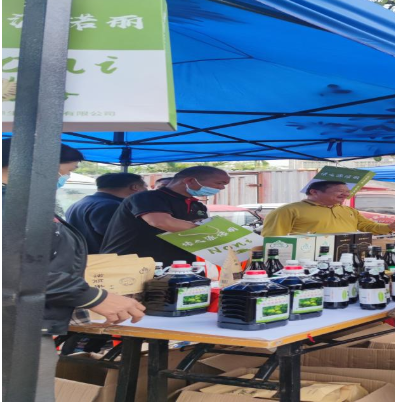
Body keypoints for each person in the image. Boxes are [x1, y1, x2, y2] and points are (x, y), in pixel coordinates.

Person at [2, 139, 145, 401]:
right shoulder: (9, 205)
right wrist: (93, 297)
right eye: (65, 171)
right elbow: (12, 268)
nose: (65, 178)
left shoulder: (19, 202)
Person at [100, 166, 230, 266]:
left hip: (178, 267)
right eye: (219, 183)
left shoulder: (197, 205)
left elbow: (197, 230)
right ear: (190, 180)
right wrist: (215, 233)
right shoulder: (147, 197)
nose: (222, 188)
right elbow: (161, 222)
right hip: (132, 266)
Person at [261, 181, 395, 237]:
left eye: (347, 191)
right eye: (340, 191)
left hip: (346, 259)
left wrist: (390, 227)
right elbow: (273, 239)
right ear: (314, 192)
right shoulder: (288, 211)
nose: (346, 194)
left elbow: (367, 226)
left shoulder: (348, 210)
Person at [65, 173, 147, 254]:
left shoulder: (80, 203)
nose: (147, 190)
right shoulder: (111, 206)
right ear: (135, 187)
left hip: (83, 257)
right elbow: (120, 236)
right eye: (145, 186)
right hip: (107, 258)